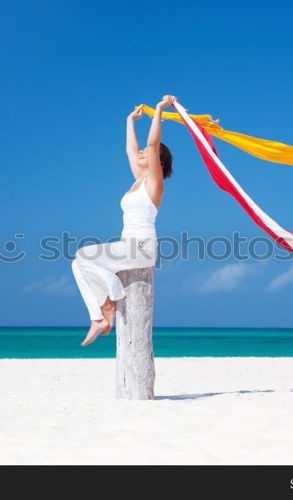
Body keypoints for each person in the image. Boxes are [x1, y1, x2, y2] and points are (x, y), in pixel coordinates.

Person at [72, 94, 176, 346]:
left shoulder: (154, 183)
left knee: (83, 256)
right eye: (141, 152)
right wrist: (130, 120)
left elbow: (152, 145)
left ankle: (109, 300)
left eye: (147, 153)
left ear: (158, 163)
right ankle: (101, 315)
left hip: (142, 247)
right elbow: (131, 149)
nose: (141, 152)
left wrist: (160, 110)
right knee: (78, 264)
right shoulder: (138, 180)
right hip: (127, 245)